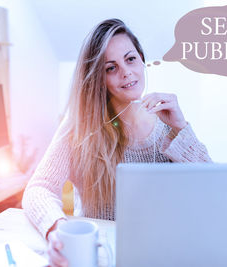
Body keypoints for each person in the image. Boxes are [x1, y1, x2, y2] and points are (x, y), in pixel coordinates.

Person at [22, 18, 212, 267]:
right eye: (111, 67)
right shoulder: (80, 127)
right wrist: (56, 229)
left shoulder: (167, 121)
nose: (126, 72)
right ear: (98, 79)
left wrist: (181, 128)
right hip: (101, 257)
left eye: (130, 59)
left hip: (162, 255)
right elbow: (38, 189)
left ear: (142, 60)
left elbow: (211, 189)